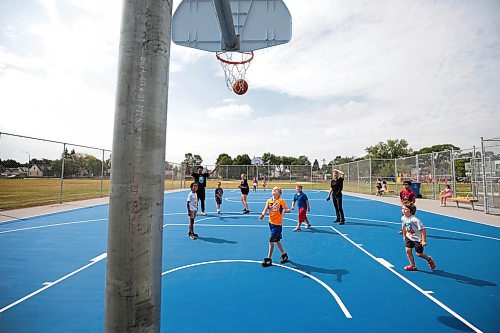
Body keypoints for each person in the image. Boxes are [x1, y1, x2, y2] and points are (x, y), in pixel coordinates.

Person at [258, 186, 290, 267]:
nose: (274, 191)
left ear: (279, 194)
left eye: (276, 190)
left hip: (277, 225)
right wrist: (262, 215)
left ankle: (269, 259)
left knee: (271, 240)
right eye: (273, 190)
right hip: (271, 223)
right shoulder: (269, 201)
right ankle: (284, 254)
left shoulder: (281, 201)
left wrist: (283, 210)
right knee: (277, 240)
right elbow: (265, 209)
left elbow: (288, 210)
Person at [401, 202, 436, 271]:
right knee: (408, 250)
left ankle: (429, 259)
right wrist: (404, 236)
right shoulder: (403, 218)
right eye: (402, 208)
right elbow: (404, 227)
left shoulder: (415, 220)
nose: (403, 210)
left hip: (417, 239)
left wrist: (423, 240)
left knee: (419, 254)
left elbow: (423, 230)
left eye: (405, 209)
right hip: (409, 237)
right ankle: (412, 265)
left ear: (411, 211)